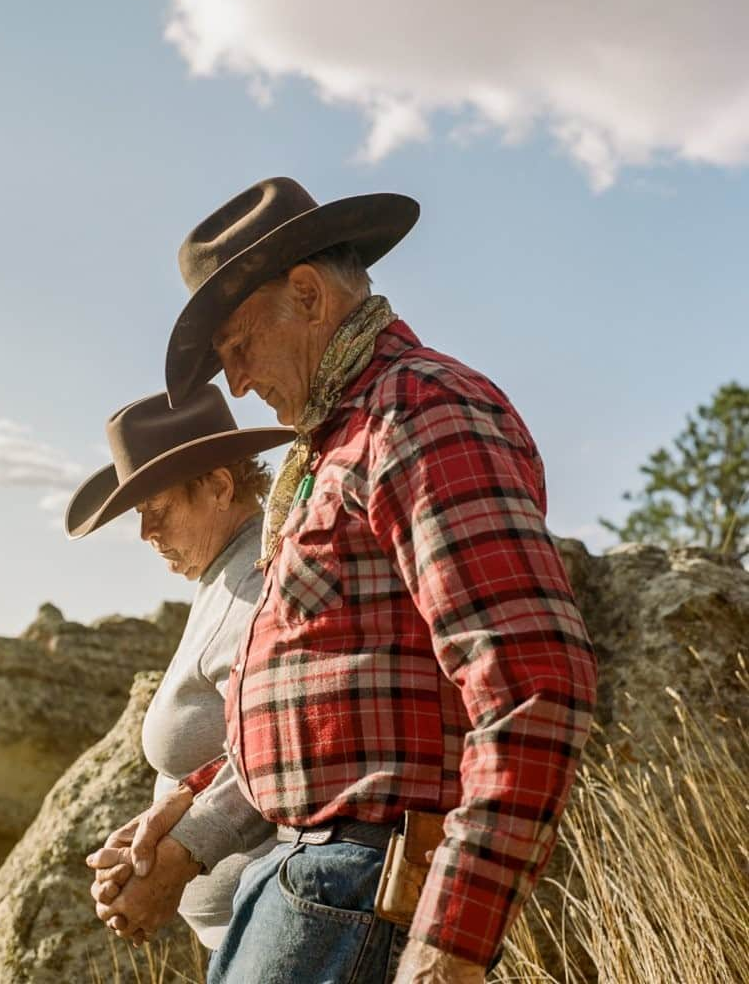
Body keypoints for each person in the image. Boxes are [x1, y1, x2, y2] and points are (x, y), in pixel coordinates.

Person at [92, 178, 599, 983]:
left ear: (305, 293)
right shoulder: (343, 444)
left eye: (238, 347)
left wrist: (450, 944)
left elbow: (534, 685)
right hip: (317, 882)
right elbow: (335, 708)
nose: (238, 385)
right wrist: (190, 815)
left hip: (360, 881)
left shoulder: (420, 413)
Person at [67, 386, 290, 951]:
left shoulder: (257, 585)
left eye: (156, 509)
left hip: (280, 924)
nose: (146, 533)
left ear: (218, 485)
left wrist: (174, 855)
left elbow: (283, 745)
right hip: (254, 928)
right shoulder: (225, 573)